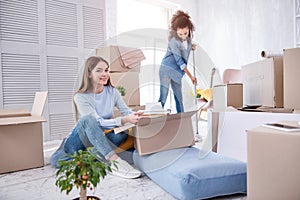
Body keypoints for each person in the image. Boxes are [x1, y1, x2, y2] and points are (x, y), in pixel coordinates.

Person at [50, 56, 143, 179]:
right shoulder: (81, 96)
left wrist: (135, 115)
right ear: (89, 74)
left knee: (122, 134)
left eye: (106, 70)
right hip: (79, 141)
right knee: (88, 119)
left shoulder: (112, 92)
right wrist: (124, 120)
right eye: (99, 70)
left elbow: (125, 111)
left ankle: (93, 157)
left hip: (101, 138)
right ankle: (113, 161)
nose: (104, 74)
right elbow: (97, 121)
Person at [158, 10, 197, 113]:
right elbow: (180, 62)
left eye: (185, 33)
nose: (183, 36)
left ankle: (182, 121)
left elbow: (184, 49)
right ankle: (154, 122)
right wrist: (191, 77)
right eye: (180, 34)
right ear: (175, 32)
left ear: (189, 29)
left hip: (177, 73)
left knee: (179, 99)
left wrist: (191, 47)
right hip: (166, 71)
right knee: (163, 97)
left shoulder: (187, 41)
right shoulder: (173, 41)